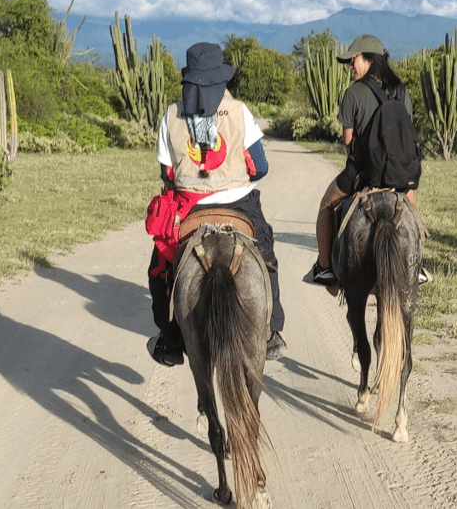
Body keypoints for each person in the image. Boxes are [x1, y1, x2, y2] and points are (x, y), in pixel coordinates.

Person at [146, 42, 287, 367]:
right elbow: (261, 165)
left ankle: (169, 340)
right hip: (240, 203)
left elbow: (167, 172)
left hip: (189, 210)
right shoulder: (239, 111)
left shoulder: (170, 115)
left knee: (160, 268)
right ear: (220, 79)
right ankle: (270, 333)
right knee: (265, 255)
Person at [309, 34, 431, 286]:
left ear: (369, 60)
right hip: (398, 174)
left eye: (353, 60)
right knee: (412, 208)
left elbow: (347, 140)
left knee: (325, 206)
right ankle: (417, 265)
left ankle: (324, 267)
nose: (350, 66)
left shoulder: (353, 93)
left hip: (360, 171)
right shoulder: (400, 90)